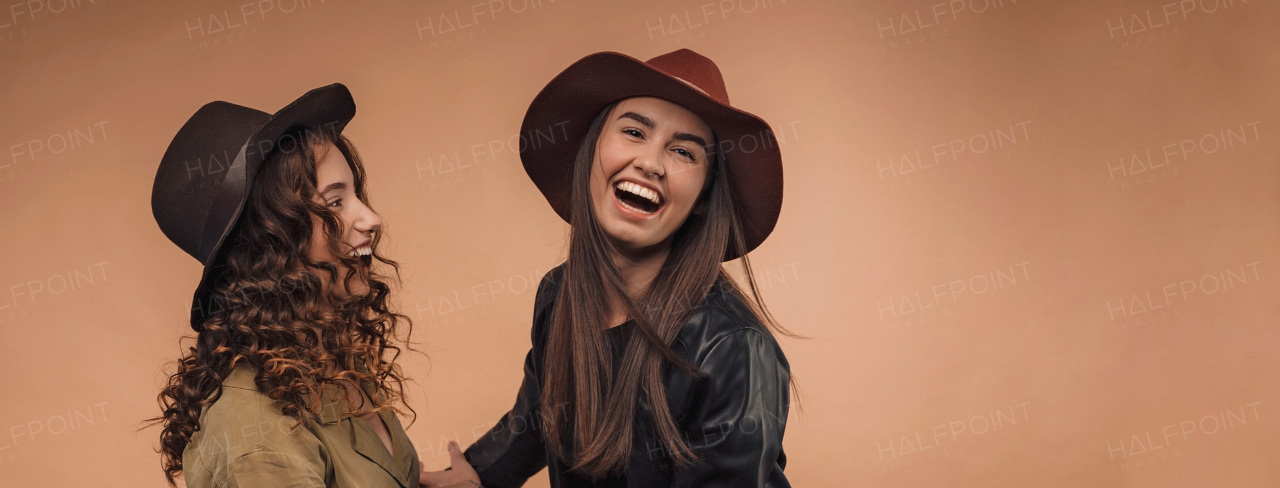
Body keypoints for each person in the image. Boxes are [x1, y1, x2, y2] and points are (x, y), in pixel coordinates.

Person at [422, 49, 793, 488]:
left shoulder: (733, 349)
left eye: (683, 152)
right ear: (590, 148)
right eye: (634, 131)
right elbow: (544, 414)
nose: (651, 163)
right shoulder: (560, 293)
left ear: (705, 198)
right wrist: (476, 476)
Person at [149, 84, 481, 488]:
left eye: (355, 194)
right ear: (268, 245)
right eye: (335, 202)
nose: (372, 218)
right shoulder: (259, 438)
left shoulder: (326, 361)